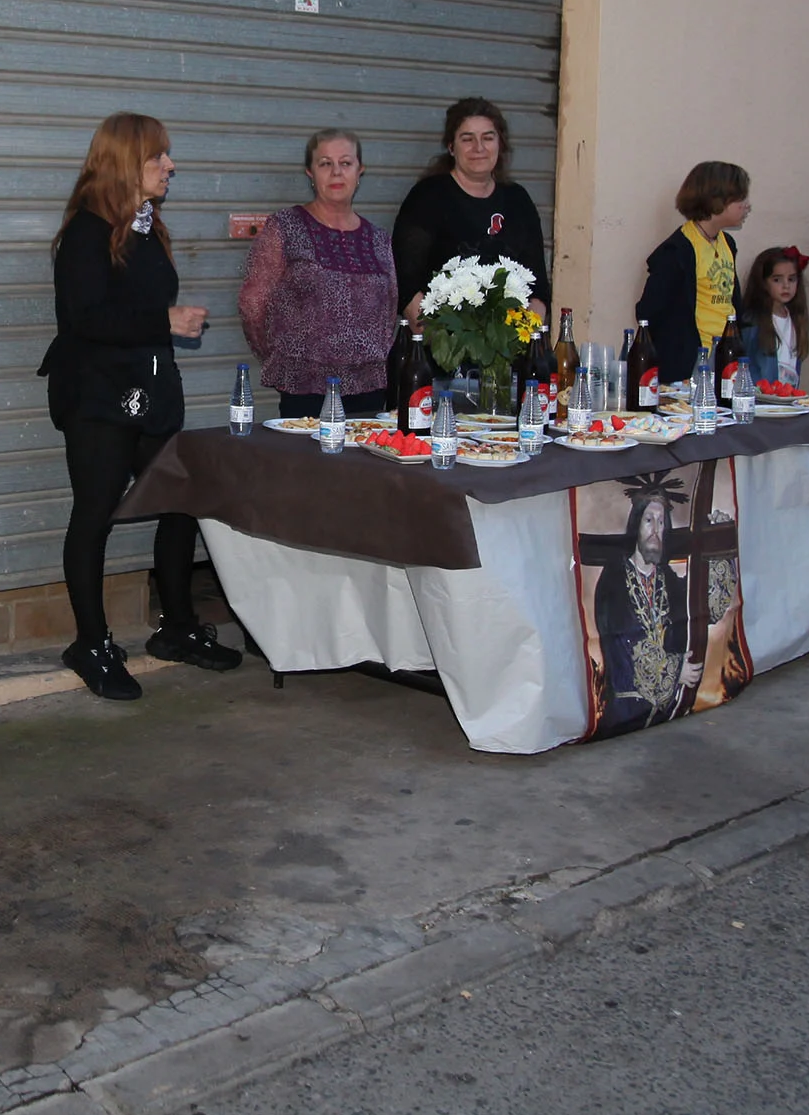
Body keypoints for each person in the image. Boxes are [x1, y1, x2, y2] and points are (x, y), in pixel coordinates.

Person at [38, 112, 243, 700]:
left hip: (151, 388)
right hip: (99, 395)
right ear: (126, 162)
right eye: (158, 158)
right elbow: (86, 318)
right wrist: (163, 321)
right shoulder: (85, 231)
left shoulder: (147, 226)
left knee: (180, 501)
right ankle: (92, 643)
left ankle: (176, 627)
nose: (169, 166)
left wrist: (165, 329)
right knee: (95, 511)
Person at [239, 129, 397, 418]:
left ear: (360, 171)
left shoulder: (379, 238)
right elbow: (252, 305)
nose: (336, 172)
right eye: (325, 163)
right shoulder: (284, 227)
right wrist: (279, 356)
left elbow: (389, 312)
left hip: (369, 388)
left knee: (362, 464)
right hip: (305, 388)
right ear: (310, 172)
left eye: (346, 163)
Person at [391, 97, 551, 330]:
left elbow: (537, 287)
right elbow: (405, 285)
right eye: (467, 139)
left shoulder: (518, 201)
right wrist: (446, 344)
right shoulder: (428, 198)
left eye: (488, 137)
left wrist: (518, 338)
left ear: (500, 144)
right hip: (440, 348)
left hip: (508, 349)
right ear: (451, 147)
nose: (479, 147)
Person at [589, 483, 704, 737]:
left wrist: (717, 560)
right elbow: (624, 643)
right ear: (636, 526)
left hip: (668, 715)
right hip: (625, 710)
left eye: (662, 523)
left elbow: (700, 605)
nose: (656, 530)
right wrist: (674, 672)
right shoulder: (614, 580)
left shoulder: (668, 579)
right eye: (649, 520)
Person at [633, 161, 751, 391]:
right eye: (740, 199)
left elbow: (731, 301)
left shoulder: (727, 243)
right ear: (717, 200)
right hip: (689, 367)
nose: (747, 206)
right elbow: (648, 311)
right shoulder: (677, 251)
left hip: (725, 360)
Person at [740, 247, 809, 387]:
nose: (786, 286)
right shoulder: (752, 321)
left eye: (791, 279)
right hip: (761, 402)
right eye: (777, 280)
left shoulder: (796, 318)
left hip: (786, 402)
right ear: (763, 282)